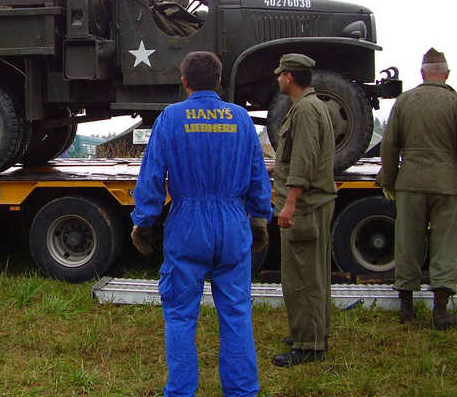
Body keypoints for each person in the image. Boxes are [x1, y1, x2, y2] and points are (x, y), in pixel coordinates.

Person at [130, 50, 272, 397]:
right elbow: (258, 176)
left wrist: (144, 222)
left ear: (185, 82)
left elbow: (151, 177)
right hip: (233, 223)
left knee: (180, 316)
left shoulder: (171, 118)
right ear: (220, 80)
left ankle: (180, 392)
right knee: (237, 315)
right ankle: (242, 392)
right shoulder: (241, 120)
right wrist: (259, 219)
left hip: (188, 224)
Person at [377, 48, 457, 329]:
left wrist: (388, 180)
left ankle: (406, 308)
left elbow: (390, 146)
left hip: (410, 184)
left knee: (407, 242)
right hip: (447, 184)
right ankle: (440, 311)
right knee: (445, 245)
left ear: (422, 73)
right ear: (447, 74)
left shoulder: (404, 102)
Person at [271, 53, 336, 367]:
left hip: (305, 206)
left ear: (288, 78)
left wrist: (290, 203)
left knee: (302, 277)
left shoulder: (306, 110)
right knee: (312, 272)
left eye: (280, 74)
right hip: (312, 203)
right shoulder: (311, 106)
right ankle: (312, 333)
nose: (278, 79)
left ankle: (308, 345)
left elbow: (304, 160)